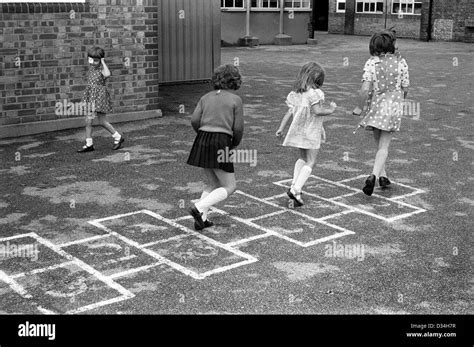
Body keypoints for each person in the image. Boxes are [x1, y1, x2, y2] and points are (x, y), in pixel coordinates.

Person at [187, 64, 244, 230]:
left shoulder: (206, 97)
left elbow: (194, 120)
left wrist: (203, 133)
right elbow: (238, 128)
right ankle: (198, 207)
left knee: (212, 183)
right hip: (221, 141)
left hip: (203, 138)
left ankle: (202, 219)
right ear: (235, 81)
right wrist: (234, 144)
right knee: (230, 186)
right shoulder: (235, 100)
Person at [354, 31, 410, 196]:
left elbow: (365, 89)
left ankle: (381, 176)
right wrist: (399, 100)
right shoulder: (402, 63)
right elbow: (405, 88)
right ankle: (375, 176)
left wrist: (359, 107)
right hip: (392, 108)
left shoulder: (372, 63)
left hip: (376, 107)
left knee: (378, 143)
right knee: (383, 146)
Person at [276, 62, 337, 206]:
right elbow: (317, 112)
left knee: (302, 158)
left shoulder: (296, 94)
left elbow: (289, 112)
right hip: (310, 132)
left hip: (299, 132)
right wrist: (331, 110)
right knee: (311, 161)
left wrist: (281, 128)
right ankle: (296, 188)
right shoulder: (315, 94)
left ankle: (294, 186)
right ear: (317, 79)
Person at [77, 46, 124, 153]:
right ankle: (89, 144)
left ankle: (118, 137)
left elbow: (107, 74)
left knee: (102, 121)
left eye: (96, 60)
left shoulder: (102, 69)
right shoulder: (92, 67)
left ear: (101, 60)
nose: (93, 62)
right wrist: (94, 60)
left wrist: (102, 62)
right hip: (91, 96)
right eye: (91, 60)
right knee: (88, 121)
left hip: (99, 97)